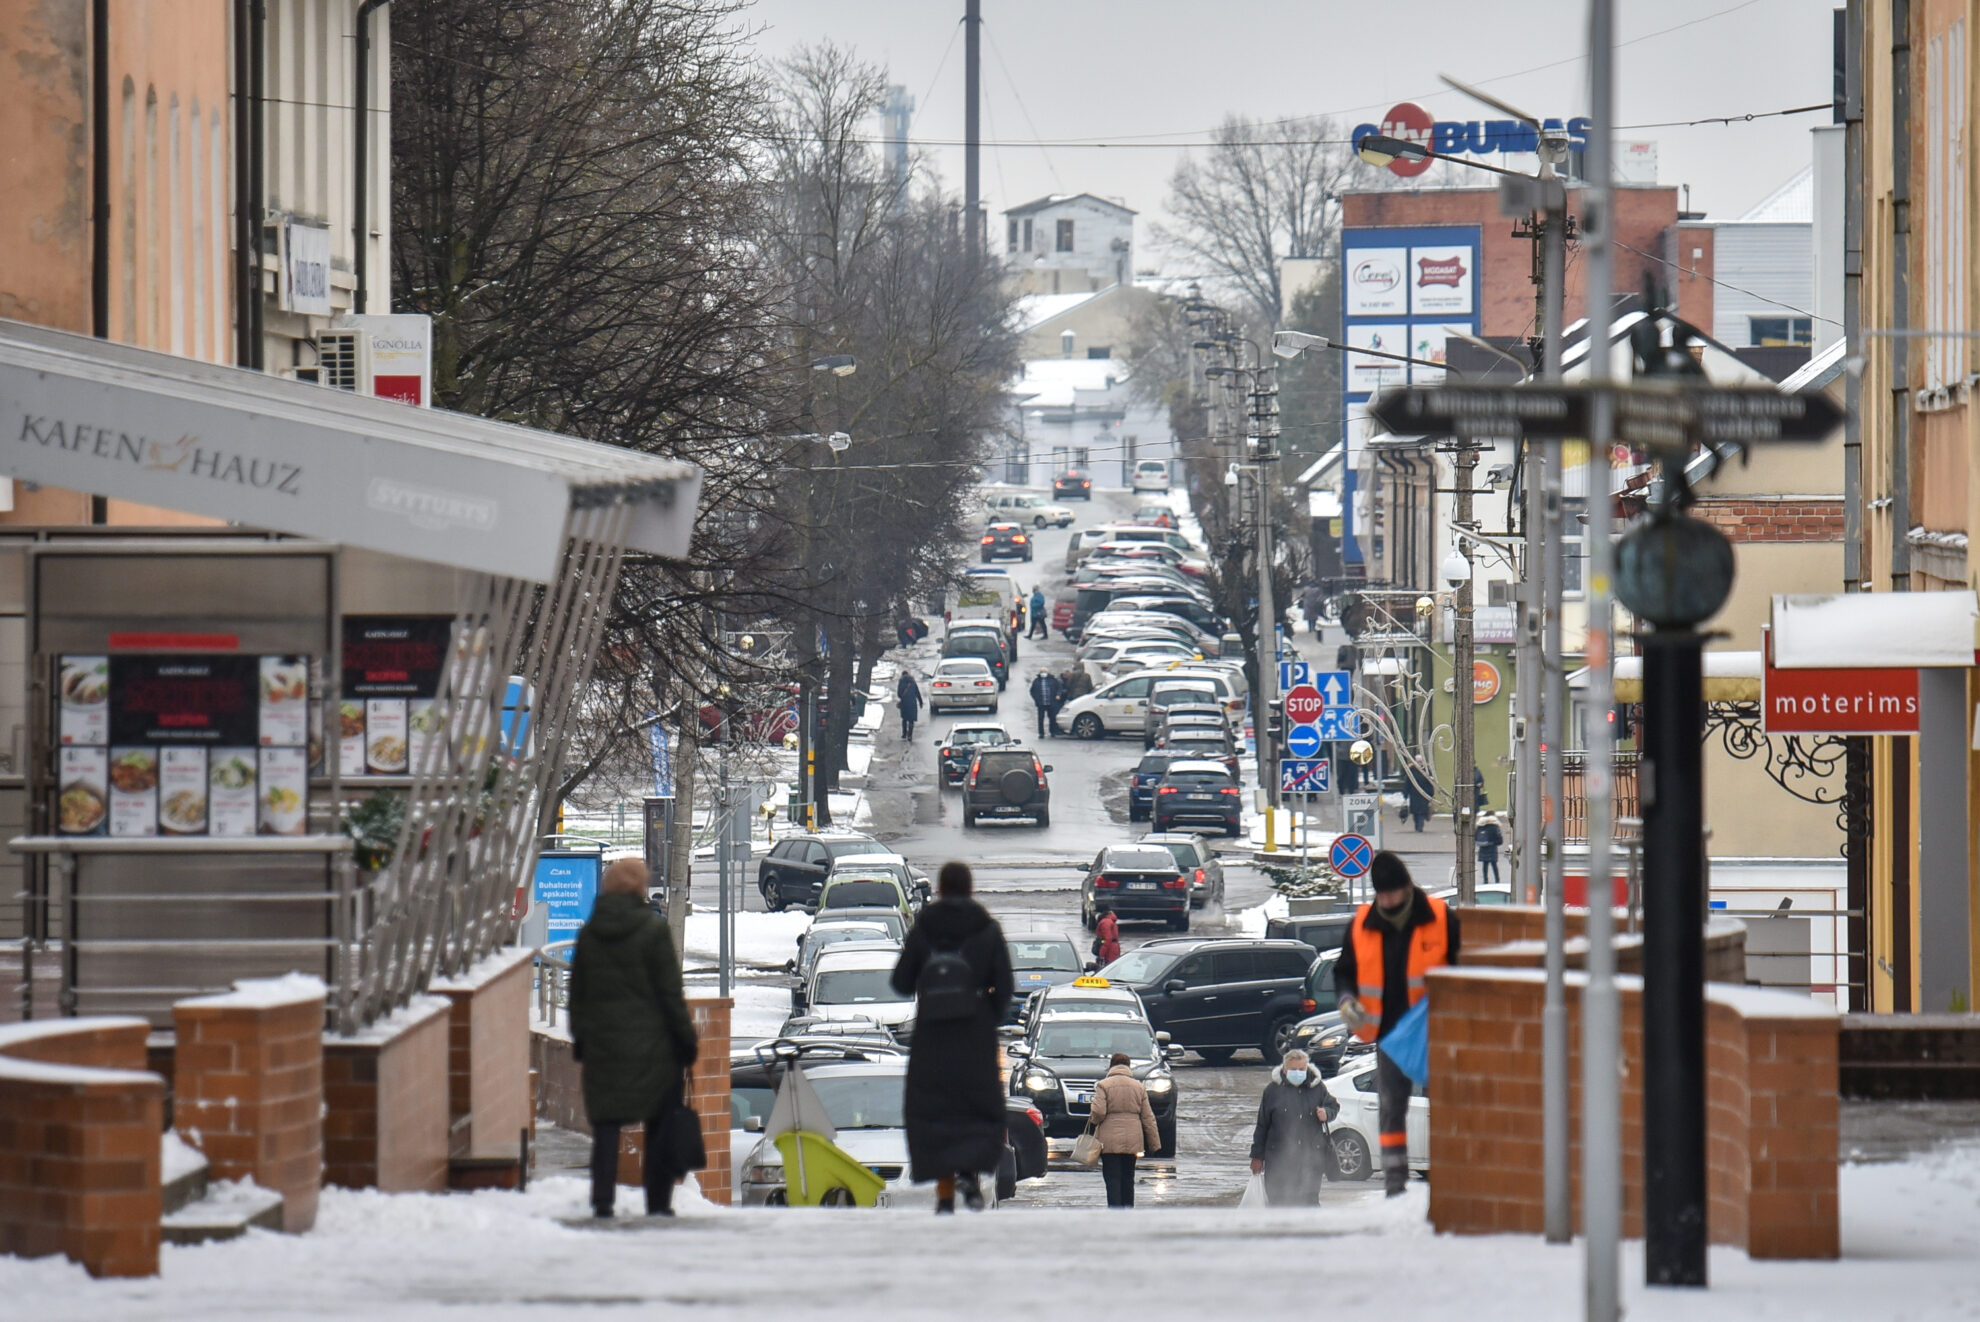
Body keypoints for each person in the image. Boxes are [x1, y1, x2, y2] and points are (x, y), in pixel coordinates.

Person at [568, 858, 699, 1219]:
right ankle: (657, 1203)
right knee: (658, 1125)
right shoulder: (653, 931)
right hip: (654, 1050)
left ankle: (603, 1201)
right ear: (641, 887)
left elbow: (578, 992)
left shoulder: (591, 933)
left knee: (607, 1126)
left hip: (603, 1047)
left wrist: (581, 1036)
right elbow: (670, 993)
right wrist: (685, 1039)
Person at [889, 861, 1015, 1213]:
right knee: (974, 1107)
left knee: (936, 1110)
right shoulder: (987, 929)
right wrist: (984, 1012)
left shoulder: (925, 928)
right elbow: (1005, 987)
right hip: (974, 1036)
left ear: (941, 889)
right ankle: (971, 1179)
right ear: (970, 888)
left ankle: (944, 1194)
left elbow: (900, 983)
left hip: (933, 1035)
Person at [1335, 851, 1459, 1196]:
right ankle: (1395, 1185)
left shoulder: (1438, 917)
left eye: (1393, 893)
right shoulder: (1362, 924)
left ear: (1406, 886)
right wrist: (1347, 1002)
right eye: (1382, 894)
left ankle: (1449, 1180)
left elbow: (1462, 964)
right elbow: (1345, 973)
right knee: (1391, 1110)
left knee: (1446, 1108)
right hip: (1389, 1036)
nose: (1388, 900)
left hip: (1434, 1031)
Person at [1248, 1048, 1340, 1206]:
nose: (1298, 1073)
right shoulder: (1272, 1091)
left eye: (1301, 1069)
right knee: (1279, 1203)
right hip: (1279, 1160)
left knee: (1309, 1202)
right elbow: (1262, 1125)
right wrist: (1257, 1156)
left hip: (1310, 1159)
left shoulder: (1317, 1088)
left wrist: (1327, 1113)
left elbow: (1333, 1106)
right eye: (1293, 1070)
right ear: (1284, 1069)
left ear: (1307, 1068)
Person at [1089, 1052, 1161, 1208]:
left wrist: (1095, 1121)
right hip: (1133, 1139)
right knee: (1128, 1176)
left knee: (1112, 1177)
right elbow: (1148, 1117)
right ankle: (1128, 1208)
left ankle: (1115, 1209)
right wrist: (1154, 1144)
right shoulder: (1139, 1087)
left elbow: (1098, 1112)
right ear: (1128, 1066)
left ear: (1111, 1066)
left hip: (1109, 1140)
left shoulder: (1104, 1085)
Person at [1027, 669, 1062, 740]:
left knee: (1052, 718)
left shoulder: (1053, 680)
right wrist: (1036, 699)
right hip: (1041, 703)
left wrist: (1058, 695)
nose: (1044, 673)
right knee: (1040, 719)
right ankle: (1041, 733)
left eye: (1045, 672)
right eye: (1042, 672)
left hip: (1051, 702)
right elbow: (1032, 691)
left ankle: (1052, 731)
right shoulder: (1036, 681)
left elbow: (1059, 688)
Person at [1476, 810, 1504, 887]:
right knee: (1494, 865)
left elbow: (1476, 836)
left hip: (1483, 848)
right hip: (1492, 847)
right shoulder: (1494, 826)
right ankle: (1497, 880)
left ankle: (1485, 880)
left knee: (1485, 865)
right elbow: (1499, 840)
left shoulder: (1480, 825)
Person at [897, 669, 922, 742]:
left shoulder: (901, 681)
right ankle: (910, 735)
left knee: (904, 718)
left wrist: (902, 697)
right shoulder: (912, 682)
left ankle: (904, 733)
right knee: (911, 719)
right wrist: (920, 702)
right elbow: (917, 692)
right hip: (912, 703)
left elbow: (899, 694)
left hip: (904, 703)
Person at [1092, 902, 1121, 967]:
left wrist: (1101, 955)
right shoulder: (1110, 920)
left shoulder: (1105, 922)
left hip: (1109, 950)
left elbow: (1107, 939)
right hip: (1113, 948)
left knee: (1108, 969)